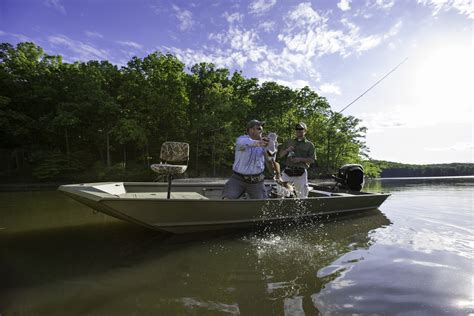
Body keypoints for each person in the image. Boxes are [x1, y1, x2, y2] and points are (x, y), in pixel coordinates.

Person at [222, 119, 269, 199]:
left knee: (263, 206)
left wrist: (271, 148)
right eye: (259, 128)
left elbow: (270, 159)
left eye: (261, 128)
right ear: (251, 130)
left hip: (256, 181)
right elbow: (247, 143)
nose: (261, 130)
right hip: (238, 179)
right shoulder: (241, 140)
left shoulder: (265, 144)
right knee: (227, 200)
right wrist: (260, 143)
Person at [279, 122, 316, 198]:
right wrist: (287, 150)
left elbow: (312, 160)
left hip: (301, 173)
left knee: (302, 196)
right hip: (287, 171)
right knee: (281, 192)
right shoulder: (289, 141)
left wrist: (300, 159)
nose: (299, 130)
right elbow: (280, 155)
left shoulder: (310, 145)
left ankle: (302, 208)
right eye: (297, 129)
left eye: (301, 129)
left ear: (305, 131)